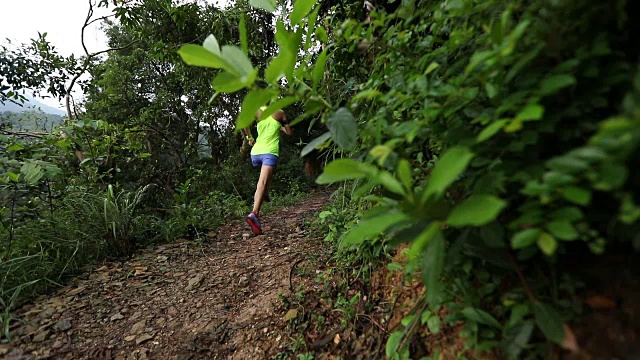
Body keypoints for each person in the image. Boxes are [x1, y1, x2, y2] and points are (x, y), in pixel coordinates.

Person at [242, 106, 293, 235]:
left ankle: (264, 193)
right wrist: (282, 126)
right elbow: (289, 132)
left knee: (263, 182)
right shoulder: (280, 112)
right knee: (262, 183)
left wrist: (250, 138)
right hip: (270, 152)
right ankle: (254, 214)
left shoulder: (257, 110)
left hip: (256, 152)